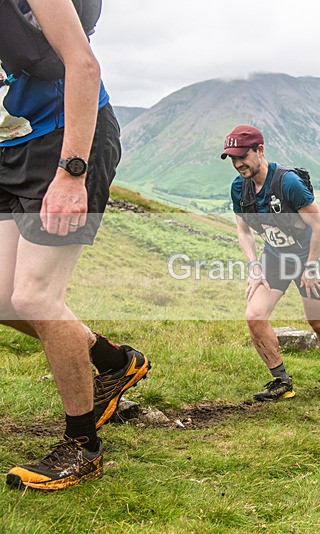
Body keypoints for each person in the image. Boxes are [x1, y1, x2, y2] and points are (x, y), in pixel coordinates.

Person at [1, 0, 150, 490]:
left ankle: (82, 448)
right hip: (11, 149)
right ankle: (114, 362)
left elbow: (83, 64)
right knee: (3, 300)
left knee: (35, 296)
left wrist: (72, 174)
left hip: (68, 140)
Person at [223, 124, 320, 401]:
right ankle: (281, 381)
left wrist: (312, 266)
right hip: (274, 258)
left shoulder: (287, 183)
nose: (238, 163)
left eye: (242, 156)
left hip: (307, 257)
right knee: (254, 316)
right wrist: (254, 267)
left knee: (318, 322)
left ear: (260, 150)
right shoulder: (238, 188)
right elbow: (243, 230)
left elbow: (319, 226)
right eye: (233, 158)